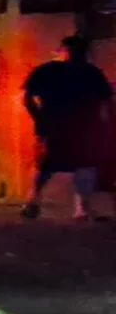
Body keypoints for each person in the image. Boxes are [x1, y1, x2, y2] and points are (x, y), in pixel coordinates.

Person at [21, 35, 113, 220]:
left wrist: (40, 118)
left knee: (76, 164)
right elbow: (28, 97)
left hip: (74, 125)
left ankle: (76, 207)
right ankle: (35, 201)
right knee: (54, 164)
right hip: (67, 125)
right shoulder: (57, 71)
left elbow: (106, 101)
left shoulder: (87, 73)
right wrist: (40, 119)